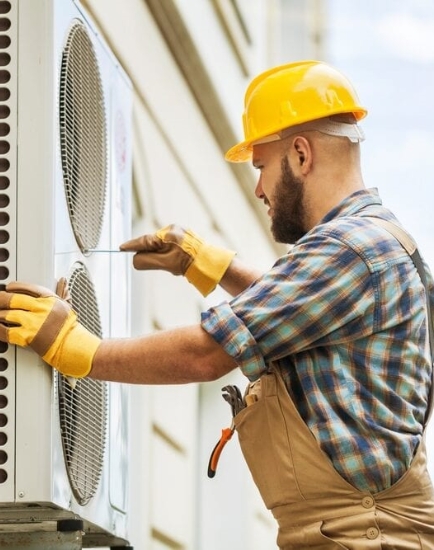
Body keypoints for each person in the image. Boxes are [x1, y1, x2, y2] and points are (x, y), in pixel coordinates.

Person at [0, 60, 433, 549]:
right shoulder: (371, 240)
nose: (259, 190)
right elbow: (299, 307)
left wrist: (74, 347)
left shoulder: (349, 247)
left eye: (261, 167)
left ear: (300, 154)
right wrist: (207, 264)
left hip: (365, 538)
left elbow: (207, 353)